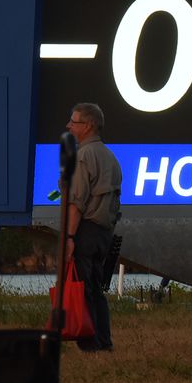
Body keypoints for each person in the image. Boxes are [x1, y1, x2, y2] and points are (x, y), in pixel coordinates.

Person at [64, 102, 122, 351]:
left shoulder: (83, 157)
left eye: (74, 121)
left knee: (83, 289)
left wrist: (68, 237)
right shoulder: (110, 156)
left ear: (87, 126)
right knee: (96, 289)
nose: (69, 126)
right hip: (103, 231)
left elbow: (76, 202)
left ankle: (90, 344)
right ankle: (103, 341)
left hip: (85, 230)